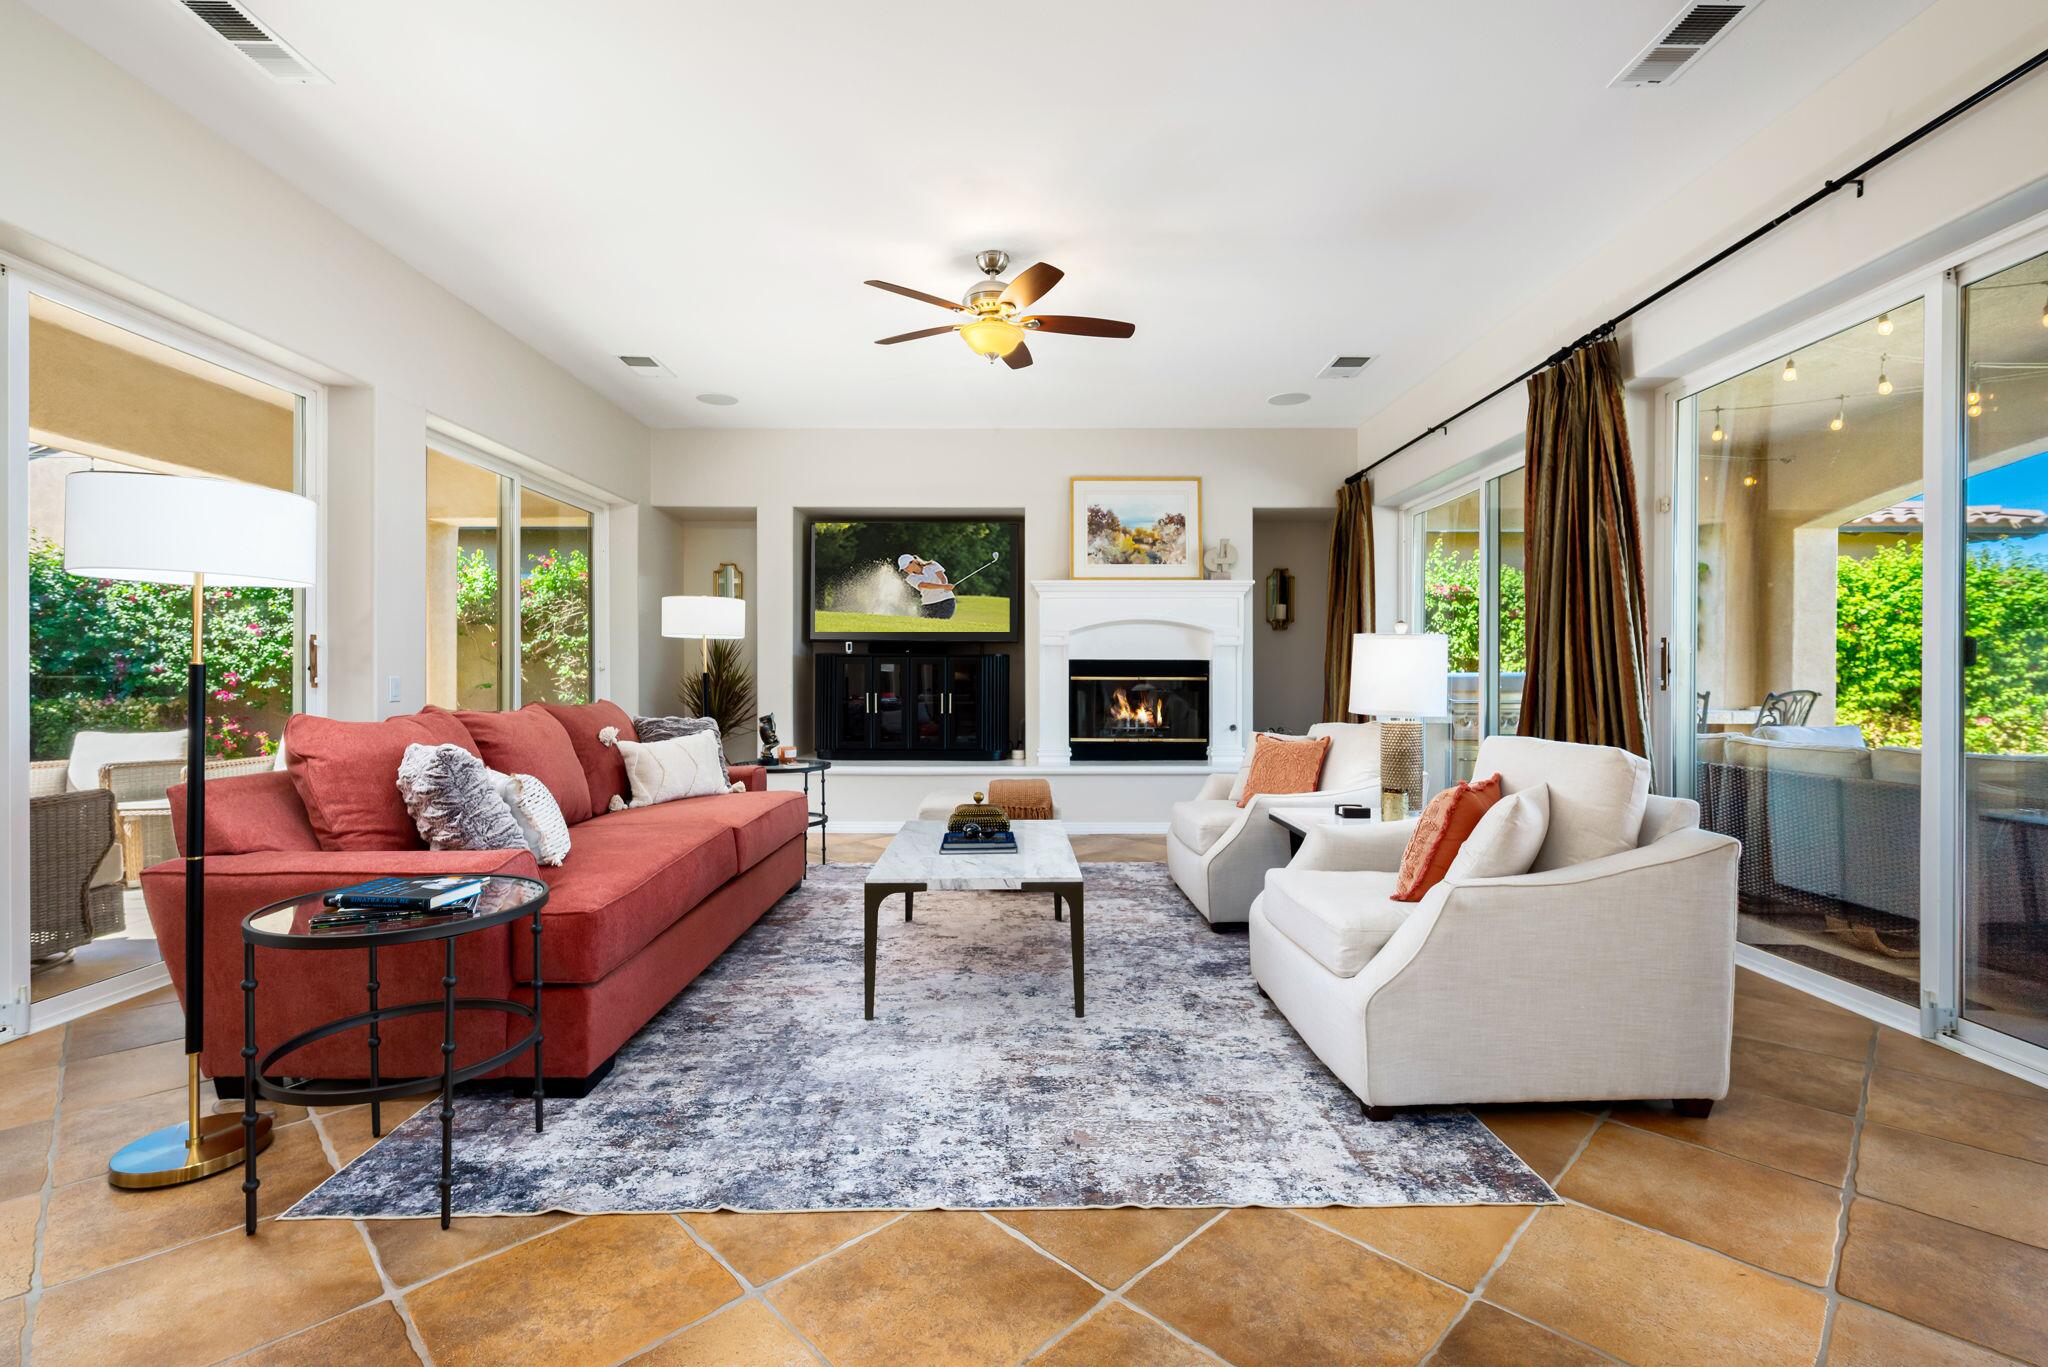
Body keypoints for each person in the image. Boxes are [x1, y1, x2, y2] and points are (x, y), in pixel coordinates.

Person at [896, 553, 957, 619]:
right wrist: (944, 586)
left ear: (913, 562)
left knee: (939, 625)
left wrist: (945, 584)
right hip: (928, 605)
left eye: (906, 567)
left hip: (946, 601)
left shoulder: (933, 565)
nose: (905, 570)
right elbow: (925, 585)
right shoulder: (910, 578)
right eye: (903, 568)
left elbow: (942, 577)